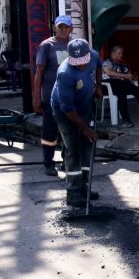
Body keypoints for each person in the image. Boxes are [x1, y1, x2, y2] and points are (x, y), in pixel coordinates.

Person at [50, 39, 102, 208]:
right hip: (65, 112)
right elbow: (68, 109)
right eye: (76, 63)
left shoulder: (93, 56)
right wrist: (85, 129)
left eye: (83, 62)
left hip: (85, 105)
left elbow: (99, 66)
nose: (81, 66)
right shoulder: (65, 73)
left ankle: (83, 187)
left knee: (87, 147)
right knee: (73, 148)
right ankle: (73, 193)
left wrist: (99, 86)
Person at [34, 15, 74, 176]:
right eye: (61, 27)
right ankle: (48, 163)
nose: (63, 30)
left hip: (70, 97)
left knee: (69, 131)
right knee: (50, 131)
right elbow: (39, 73)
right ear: (55, 27)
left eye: (66, 27)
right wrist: (36, 96)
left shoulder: (75, 45)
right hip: (50, 96)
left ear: (71, 29)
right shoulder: (47, 46)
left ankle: (67, 161)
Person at [102, 45, 139, 127]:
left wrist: (132, 77)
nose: (121, 55)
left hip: (123, 84)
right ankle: (126, 120)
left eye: (122, 53)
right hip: (110, 85)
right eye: (119, 53)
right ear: (113, 53)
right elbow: (109, 73)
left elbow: (128, 75)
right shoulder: (107, 62)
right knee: (121, 93)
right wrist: (124, 76)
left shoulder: (124, 63)